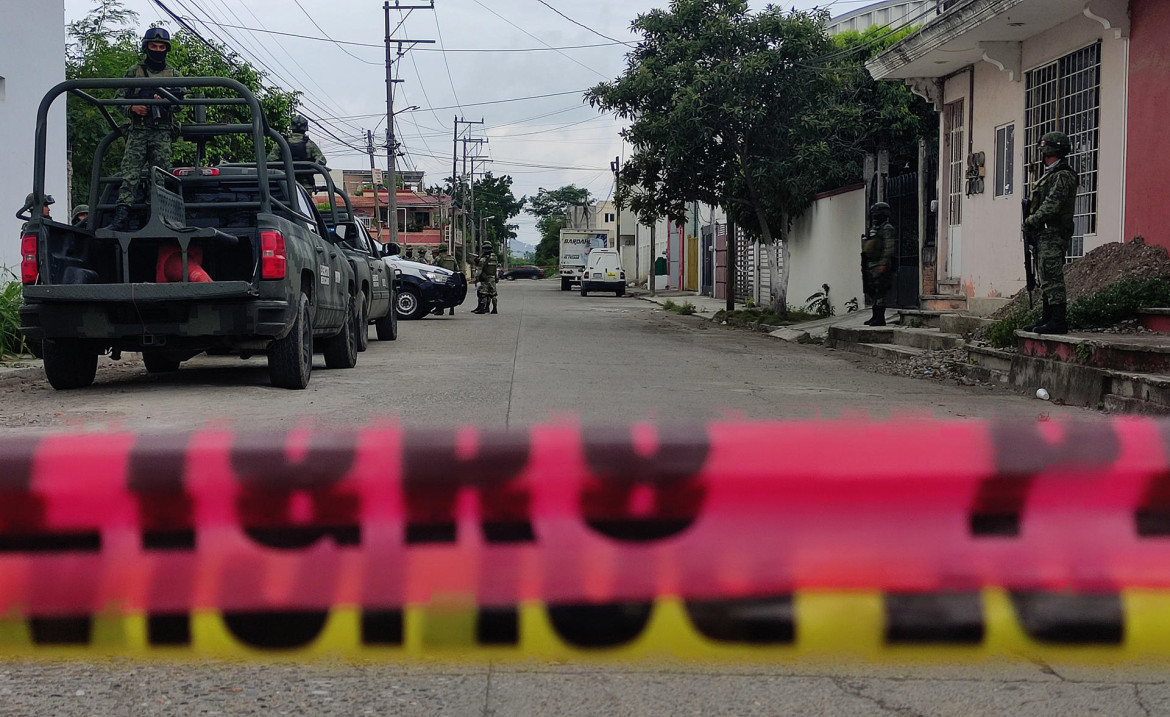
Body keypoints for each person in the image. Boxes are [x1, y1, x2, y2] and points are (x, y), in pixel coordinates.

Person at [106, 28, 183, 232]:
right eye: (153, 46)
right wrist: (133, 107)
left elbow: (181, 103)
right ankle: (121, 217)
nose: (157, 50)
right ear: (146, 47)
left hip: (162, 131)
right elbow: (118, 98)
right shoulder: (134, 71)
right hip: (138, 130)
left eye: (161, 47)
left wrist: (165, 101)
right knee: (129, 174)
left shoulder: (173, 74)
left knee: (160, 177)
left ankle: (157, 217)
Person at [1022, 131, 1079, 335]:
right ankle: (1047, 318)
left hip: (1053, 233)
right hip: (1044, 234)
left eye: (1047, 153)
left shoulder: (1063, 175)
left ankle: (1057, 320)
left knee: (1052, 276)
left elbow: (1052, 205)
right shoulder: (1052, 175)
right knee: (1045, 276)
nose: (1045, 158)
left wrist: (1031, 220)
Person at [269, 115, 326, 193]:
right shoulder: (310, 144)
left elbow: (270, 161)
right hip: (305, 186)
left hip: (285, 183)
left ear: (292, 127)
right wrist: (311, 168)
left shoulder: (281, 143)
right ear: (305, 128)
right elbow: (322, 160)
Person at [861, 202, 896, 326]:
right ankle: (874, 316)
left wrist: (883, 264)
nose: (875, 217)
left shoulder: (887, 229)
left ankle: (880, 318)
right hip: (871, 264)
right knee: (873, 291)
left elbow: (888, 247)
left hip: (881, 264)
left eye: (877, 214)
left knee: (880, 291)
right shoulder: (874, 228)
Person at [472, 241, 499, 315]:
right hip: (492, 278)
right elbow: (495, 268)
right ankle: (494, 308)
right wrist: (496, 278)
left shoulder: (483, 259)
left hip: (485, 278)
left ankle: (482, 309)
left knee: (483, 294)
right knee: (493, 294)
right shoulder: (494, 257)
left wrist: (476, 278)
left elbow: (480, 270)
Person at [433, 245, 458, 316]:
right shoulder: (452, 258)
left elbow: (433, 268)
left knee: (440, 294)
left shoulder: (438, 258)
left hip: (441, 279)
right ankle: (452, 309)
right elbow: (456, 269)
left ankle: (440, 309)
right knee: (451, 294)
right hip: (451, 279)